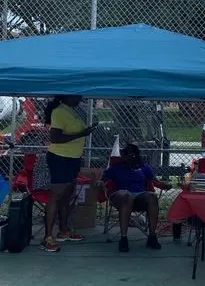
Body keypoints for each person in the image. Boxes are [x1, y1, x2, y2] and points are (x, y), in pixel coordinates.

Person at [44, 95, 98, 252]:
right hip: (60, 158)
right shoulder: (59, 112)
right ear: (66, 97)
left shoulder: (71, 111)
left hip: (73, 158)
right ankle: (47, 237)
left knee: (66, 196)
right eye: (76, 95)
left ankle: (63, 230)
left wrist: (84, 132)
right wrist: (81, 134)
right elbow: (55, 137)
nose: (80, 98)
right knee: (56, 195)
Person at [103, 143, 172, 253]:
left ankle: (152, 237)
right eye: (128, 155)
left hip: (139, 196)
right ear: (123, 156)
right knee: (127, 195)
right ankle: (124, 239)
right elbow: (103, 179)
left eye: (133, 155)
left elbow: (155, 181)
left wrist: (164, 185)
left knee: (152, 197)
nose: (131, 157)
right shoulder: (116, 167)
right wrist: (98, 183)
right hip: (120, 196)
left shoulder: (143, 167)